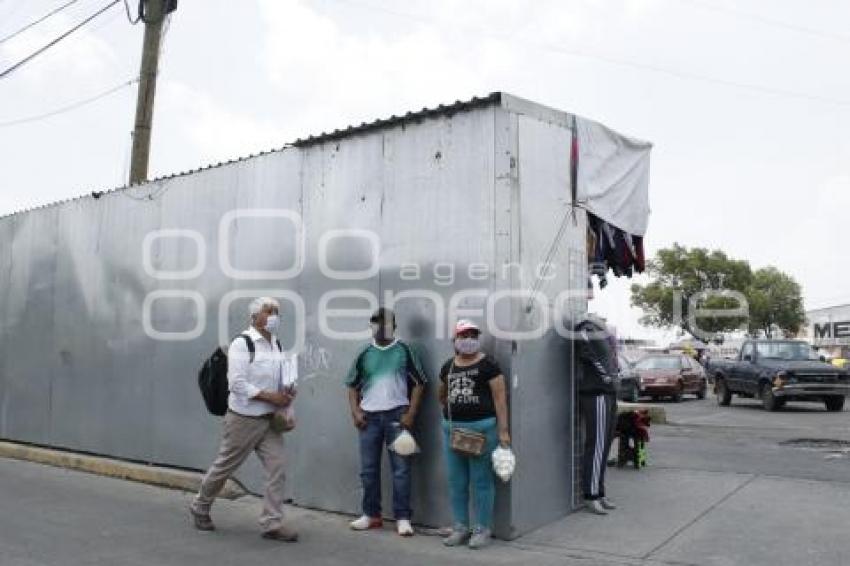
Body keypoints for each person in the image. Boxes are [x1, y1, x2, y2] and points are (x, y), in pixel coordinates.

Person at [190, 297, 299, 542]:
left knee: (277, 467)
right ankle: (200, 505)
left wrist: (288, 393)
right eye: (269, 312)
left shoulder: (276, 345)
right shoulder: (243, 344)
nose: (274, 316)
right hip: (244, 419)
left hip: (269, 420)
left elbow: (280, 377)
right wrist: (270, 396)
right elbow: (237, 384)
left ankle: (272, 522)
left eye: (277, 312)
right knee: (225, 467)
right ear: (255, 317)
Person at [345, 307, 427, 537]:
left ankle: (403, 517)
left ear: (394, 326)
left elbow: (420, 383)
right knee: (368, 470)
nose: (380, 327)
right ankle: (371, 515)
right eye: (375, 322)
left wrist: (411, 414)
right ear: (370, 325)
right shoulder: (364, 353)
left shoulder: (405, 350)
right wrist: (355, 412)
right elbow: (351, 384)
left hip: (398, 417)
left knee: (401, 470)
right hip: (368, 419)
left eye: (385, 323)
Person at [438, 319, 510, 549]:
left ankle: (481, 528)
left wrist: (503, 432)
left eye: (473, 335)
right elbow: (441, 394)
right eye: (464, 335)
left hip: (482, 432)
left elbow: (500, 399)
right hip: (453, 431)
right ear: (455, 340)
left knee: (481, 481)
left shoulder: (489, 365)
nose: (469, 339)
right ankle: (460, 527)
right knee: (456, 481)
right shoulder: (448, 366)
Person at [575, 313, 618, 515]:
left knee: (605, 443)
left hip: (608, 392)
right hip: (596, 392)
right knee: (597, 444)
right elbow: (588, 353)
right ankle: (591, 494)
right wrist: (607, 377)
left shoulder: (600, 329)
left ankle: (599, 491)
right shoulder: (586, 327)